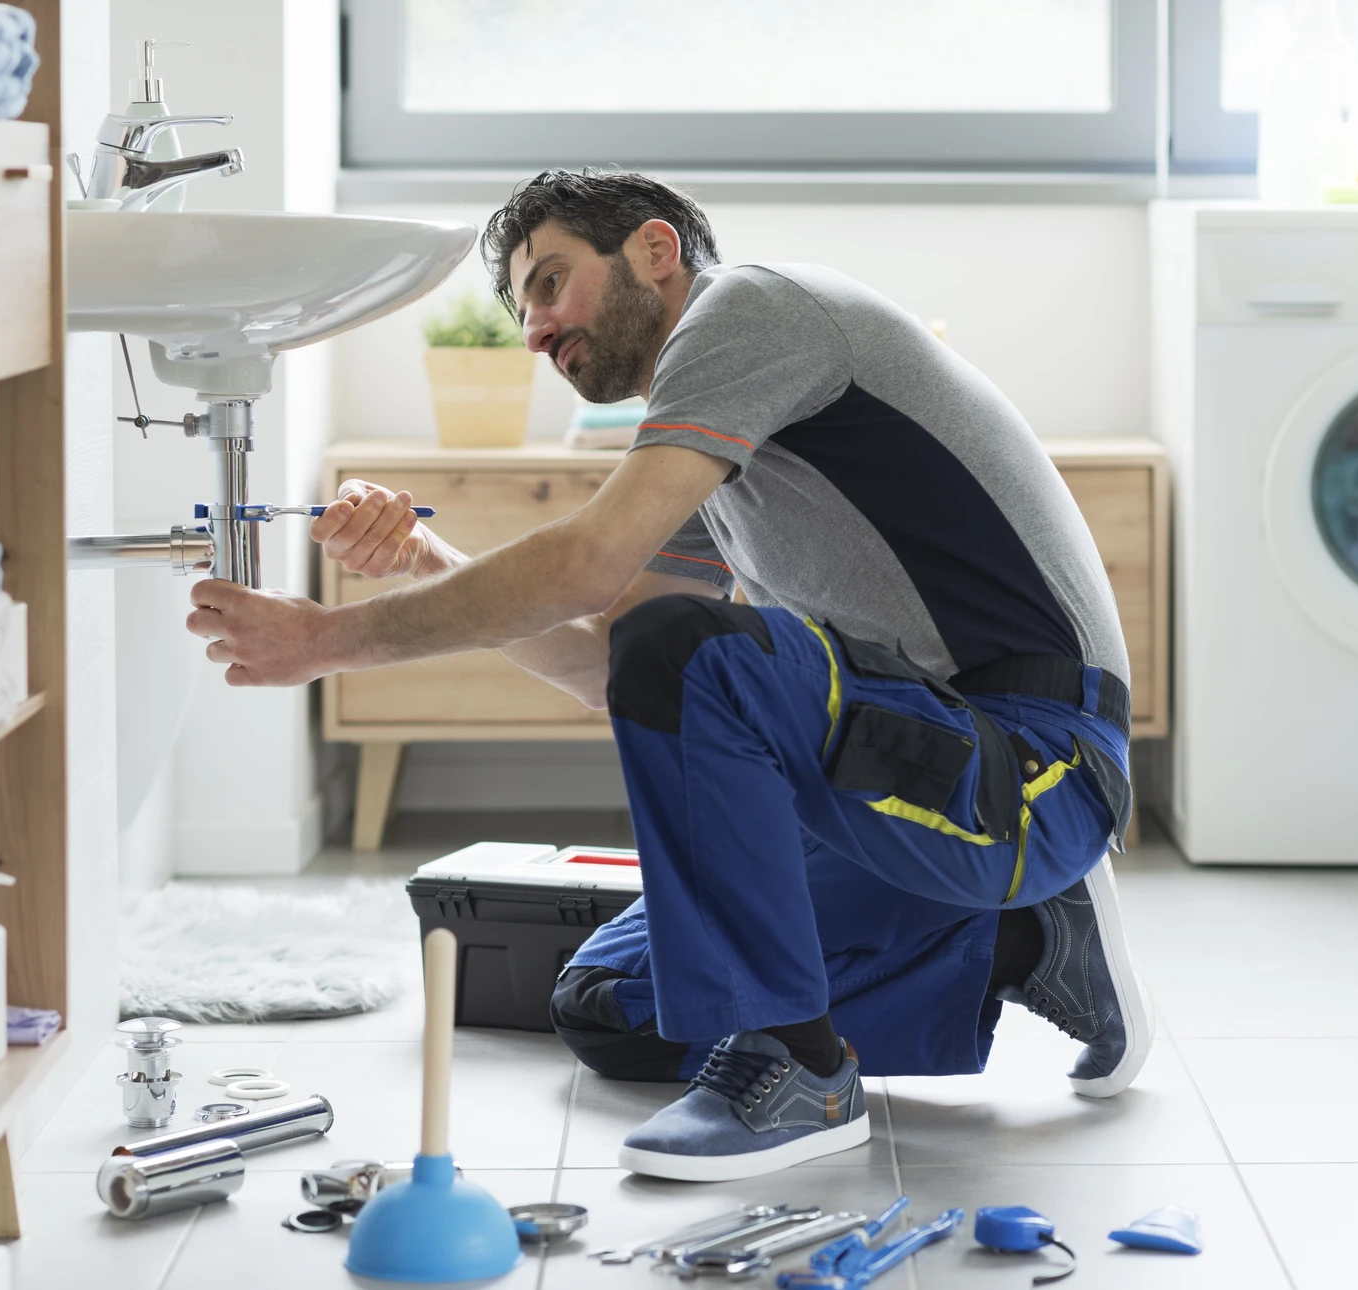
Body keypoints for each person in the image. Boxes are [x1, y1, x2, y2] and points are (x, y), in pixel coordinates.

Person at [184, 169, 1151, 1182]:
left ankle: (803, 1076)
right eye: (522, 314)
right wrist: (430, 567)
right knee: (609, 1005)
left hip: (1037, 766)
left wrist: (329, 639)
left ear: (653, 250)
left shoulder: (752, 310)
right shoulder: (727, 448)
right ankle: (1026, 943)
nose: (535, 333)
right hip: (905, 771)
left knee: (692, 657)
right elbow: (616, 665)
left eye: (549, 284)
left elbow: (600, 578)